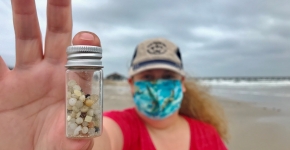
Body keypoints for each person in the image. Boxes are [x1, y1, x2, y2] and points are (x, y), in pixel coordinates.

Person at [0, 1, 228, 150]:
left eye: (167, 76)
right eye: (147, 77)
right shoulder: (121, 126)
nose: (157, 84)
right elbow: (100, 140)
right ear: (131, 84)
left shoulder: (209, 137)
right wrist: (76, 140)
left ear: (182, 84)